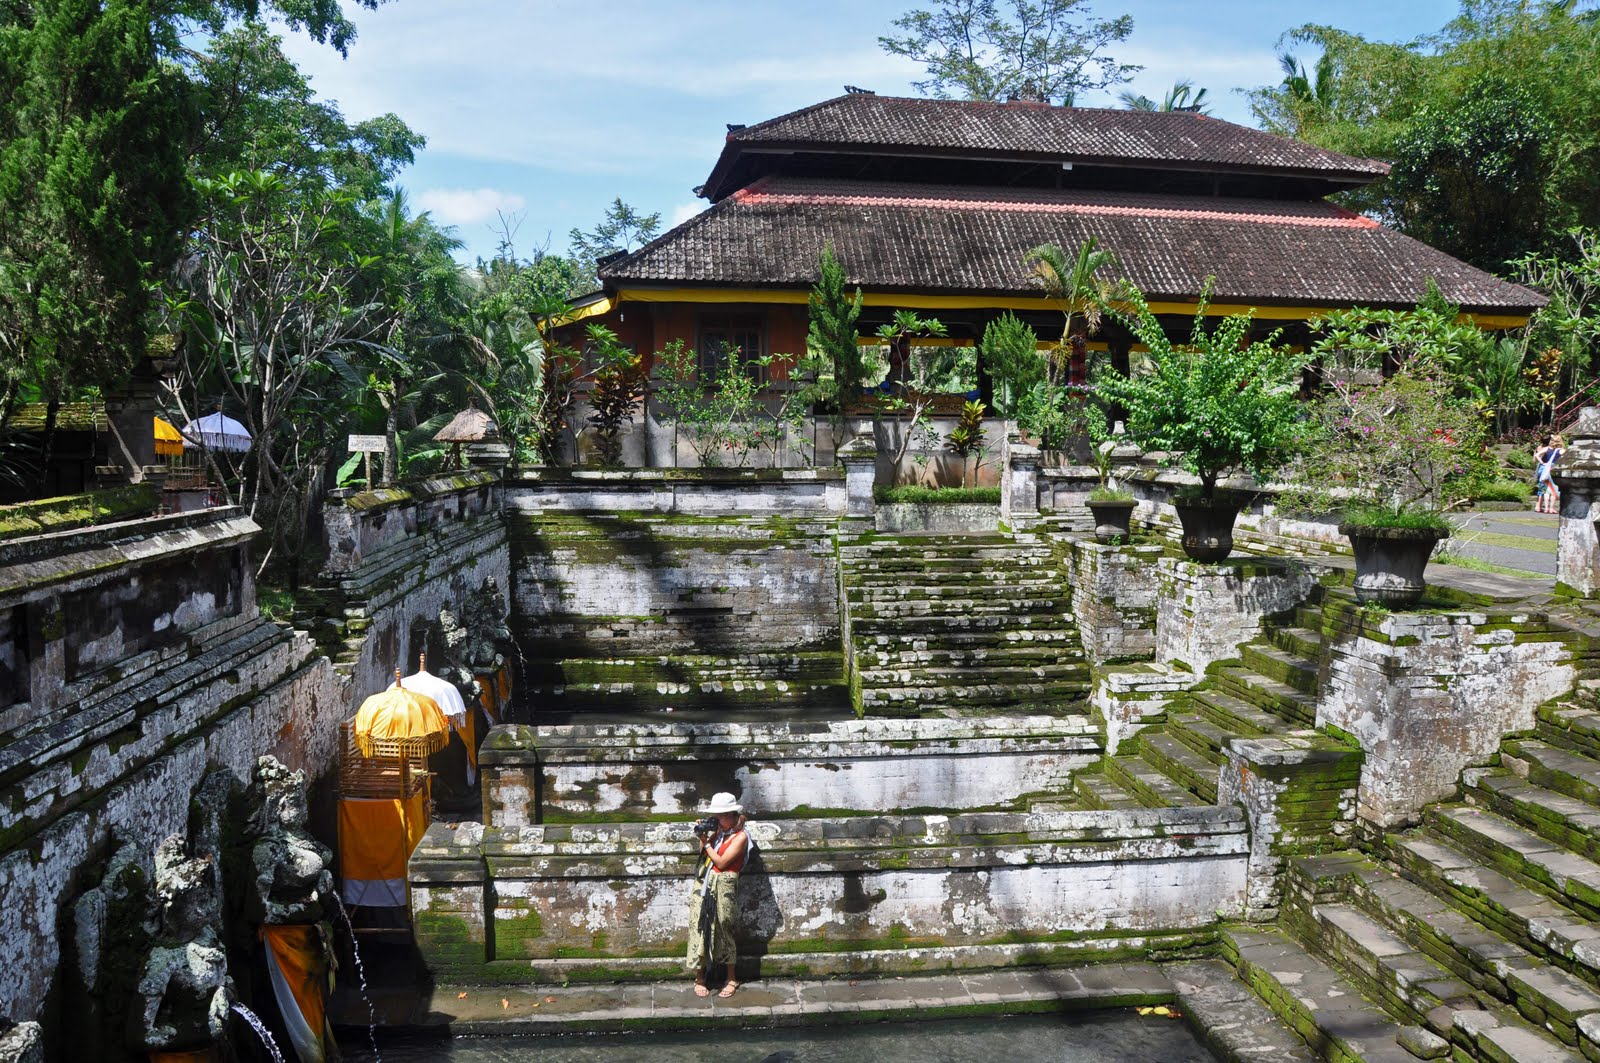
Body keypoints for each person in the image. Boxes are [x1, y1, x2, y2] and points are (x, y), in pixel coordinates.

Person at [687, 791, 748, 999]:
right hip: (705, 883)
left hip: (724, 885)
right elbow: (703, 853)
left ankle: (731, 979)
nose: (717, 819)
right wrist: (704, 836)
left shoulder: (741, 837)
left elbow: (721, 863)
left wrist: (707, 841)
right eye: (716, 816)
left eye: (721, 816)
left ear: (731, 815)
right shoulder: (719, 832)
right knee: (699, 927)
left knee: (725, 928)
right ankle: (699, 978)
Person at [1535, 434, 1564, 514]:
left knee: (1545, 489)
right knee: (1554, 489)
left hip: (1544, 468)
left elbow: (1537, 455)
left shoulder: (1548, 448)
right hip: (1553, 469)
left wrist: (1542, 463)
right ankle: (1551, 508)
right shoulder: (1561, 450)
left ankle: (1544, 507)